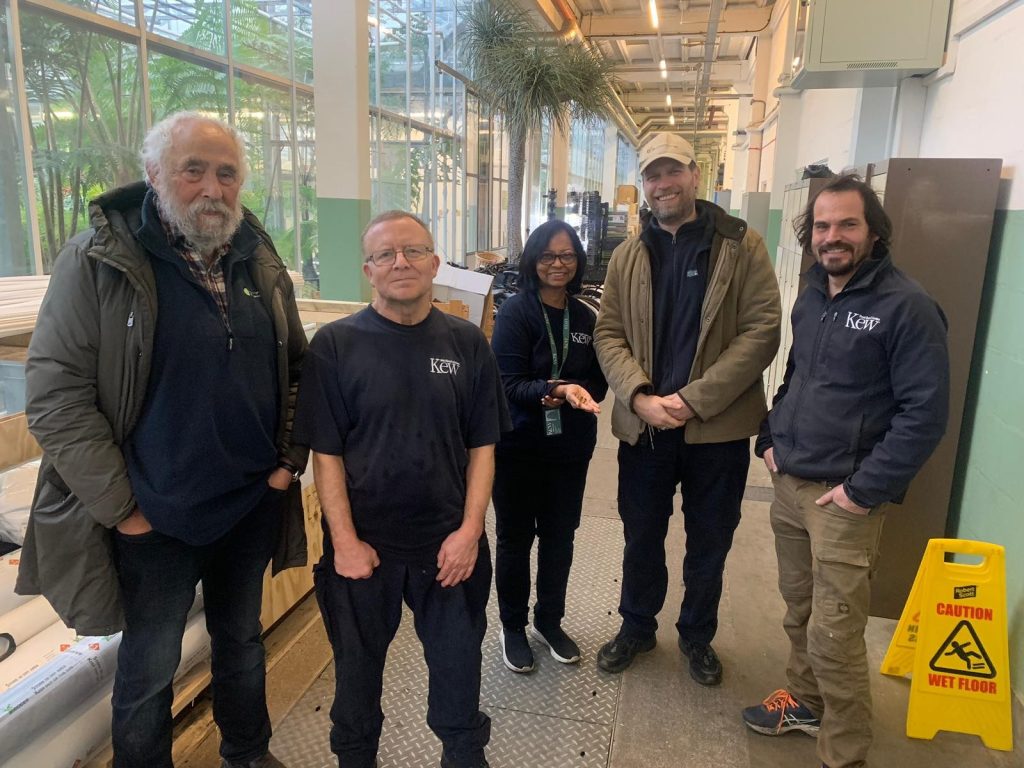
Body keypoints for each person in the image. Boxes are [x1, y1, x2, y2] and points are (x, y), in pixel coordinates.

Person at [17, 111, 308, 768]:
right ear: (154, 174)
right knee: (150, 666)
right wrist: (124, 509)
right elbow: (56, 396)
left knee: (242, 642)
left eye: (227, 173)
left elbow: (297, 368)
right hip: (155, 514)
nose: (213, 188)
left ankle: (248, 753)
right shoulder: (99, 262)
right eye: (193, 170)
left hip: (248, 503)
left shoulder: (257, 257)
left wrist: (286, 464)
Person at [742, 174, 949, 768]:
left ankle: (845, 751)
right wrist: (770, 436)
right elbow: (797, 375)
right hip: (791, 483)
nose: (833, 236)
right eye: (823, 226)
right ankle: (806, 703)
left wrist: (862, 491)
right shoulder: (812, 294)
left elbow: (925, 414)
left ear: (874, 232)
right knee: (799, 611)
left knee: (834, 633)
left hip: (843, 499)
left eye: (848, 224)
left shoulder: (906, 307)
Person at [294, 211, 509, 768]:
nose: (400, 263)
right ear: (368, 270)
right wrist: (344, 542)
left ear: (435, 263)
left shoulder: (467, 343)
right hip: (365, 551)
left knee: (459, 677)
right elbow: (326, 454)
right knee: (356, 684)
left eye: (413, 251)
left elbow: (483, 447)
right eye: (385, 254)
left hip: (449, 548)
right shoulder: (335, 346)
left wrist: (470, 533)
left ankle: (464, 757)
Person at [593, 132, 781, 686]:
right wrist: (639, 396)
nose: (662, 184)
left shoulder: (741, 246)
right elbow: (608, 333)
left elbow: (762, 330)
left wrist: (693, 399)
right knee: (641, 535)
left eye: (672, 171)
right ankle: (636, 627)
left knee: (710, 540)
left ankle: (697, 636)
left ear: (695, 175)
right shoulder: (628, 255)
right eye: (652, 175)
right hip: (646, 428)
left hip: (717, 430)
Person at [489, 220, 608, 673]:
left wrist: (580, 392)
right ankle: (512, 626)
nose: (558, 264)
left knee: (560, 538)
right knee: (515, 539)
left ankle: (548, 621)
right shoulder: (516, 313)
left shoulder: (584, 318)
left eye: (567, 256)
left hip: (569, 451)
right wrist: (554, 389)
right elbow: (508, 383)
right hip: (519, 448)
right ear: (533, 260)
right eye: (548, 256)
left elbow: (597, 380)